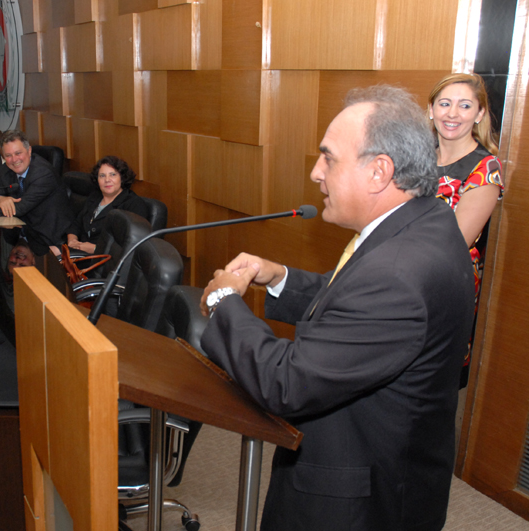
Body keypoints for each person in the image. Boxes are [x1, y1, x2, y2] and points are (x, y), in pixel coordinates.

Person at [198, 85, 476, 530]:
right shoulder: (424, 221)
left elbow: (286, 382)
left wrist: (222, 300)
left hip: (359, 503)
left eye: (328, 158)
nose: (316, 172)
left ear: (379, 171)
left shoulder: (398, 274)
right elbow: (350, 301)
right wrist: (279, 276)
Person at [428, 73, 504, 386]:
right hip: (397, 272)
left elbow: (455, 242)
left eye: (465, 105)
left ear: (479, 114)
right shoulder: (416, 156)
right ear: (431, 109)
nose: (453, 114)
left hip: (443, 282)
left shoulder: (485, 167)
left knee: (430, 378)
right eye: (445, 103)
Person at [0, 130, 72, 256]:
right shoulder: (10, 170)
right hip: (24, 236)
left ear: (29, 151)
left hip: (48, 243)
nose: (14, 160)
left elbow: (19, 208)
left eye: (18, 153)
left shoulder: (43, 174)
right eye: (8, 155)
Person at [66, 156, 149, 254]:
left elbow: (131, 246)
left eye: (113, 175)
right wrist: (72, 240)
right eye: (102, 176)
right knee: (52, 252)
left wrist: (96, 249)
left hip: (106, 259)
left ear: (122, 178)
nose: (107, 180)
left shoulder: (134, 204)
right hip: (79, 252)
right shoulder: (95, 197)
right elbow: (76, 224)